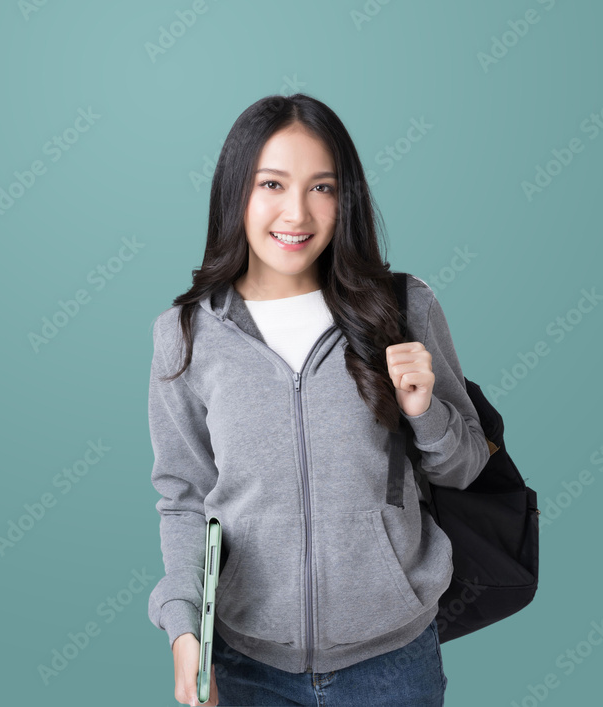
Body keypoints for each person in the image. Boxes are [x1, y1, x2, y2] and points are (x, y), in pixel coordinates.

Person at [147, 93, 491, 706]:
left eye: (322, 188)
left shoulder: (403, 307)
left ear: (345, 199)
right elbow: (184, 500)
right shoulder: (187, 334)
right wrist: (183, 630)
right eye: (272, 184)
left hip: (392, 663)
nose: (296, 212)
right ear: (236, 193)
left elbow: (466, 465)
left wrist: (424, 413)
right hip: (246, 660)